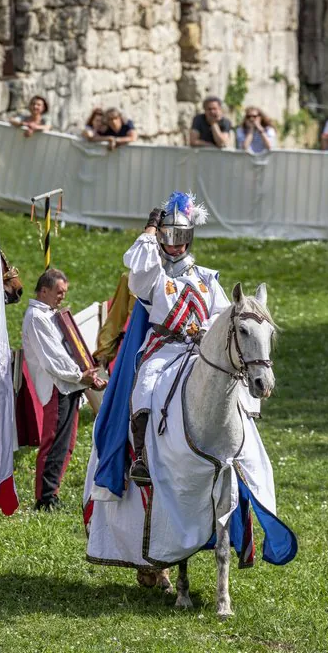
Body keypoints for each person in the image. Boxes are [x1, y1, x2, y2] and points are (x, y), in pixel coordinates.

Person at [124, 192, 230, 485]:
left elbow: (221, 314)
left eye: (179, 237)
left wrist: (205, 329)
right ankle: (142, 457)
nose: (174, 245)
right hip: (164, 347)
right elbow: (136, 263)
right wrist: (149, 231)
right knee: (144, 387)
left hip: (199, 350)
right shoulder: (153, 276)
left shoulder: (206, 277)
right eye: (167, 238)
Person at [21, 269, 105, 511]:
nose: (61, 297)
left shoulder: (50, 315)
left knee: (66, 442)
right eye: (59, 292)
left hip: (69, 386)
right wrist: (81, 375)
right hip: (57, 386)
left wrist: (84, 374)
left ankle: (52, 493)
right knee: (55, 442)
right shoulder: (37, 317)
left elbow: (68, 350)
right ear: (44, 290)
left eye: (64, 293)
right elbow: (53, 359)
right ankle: (44, 498)